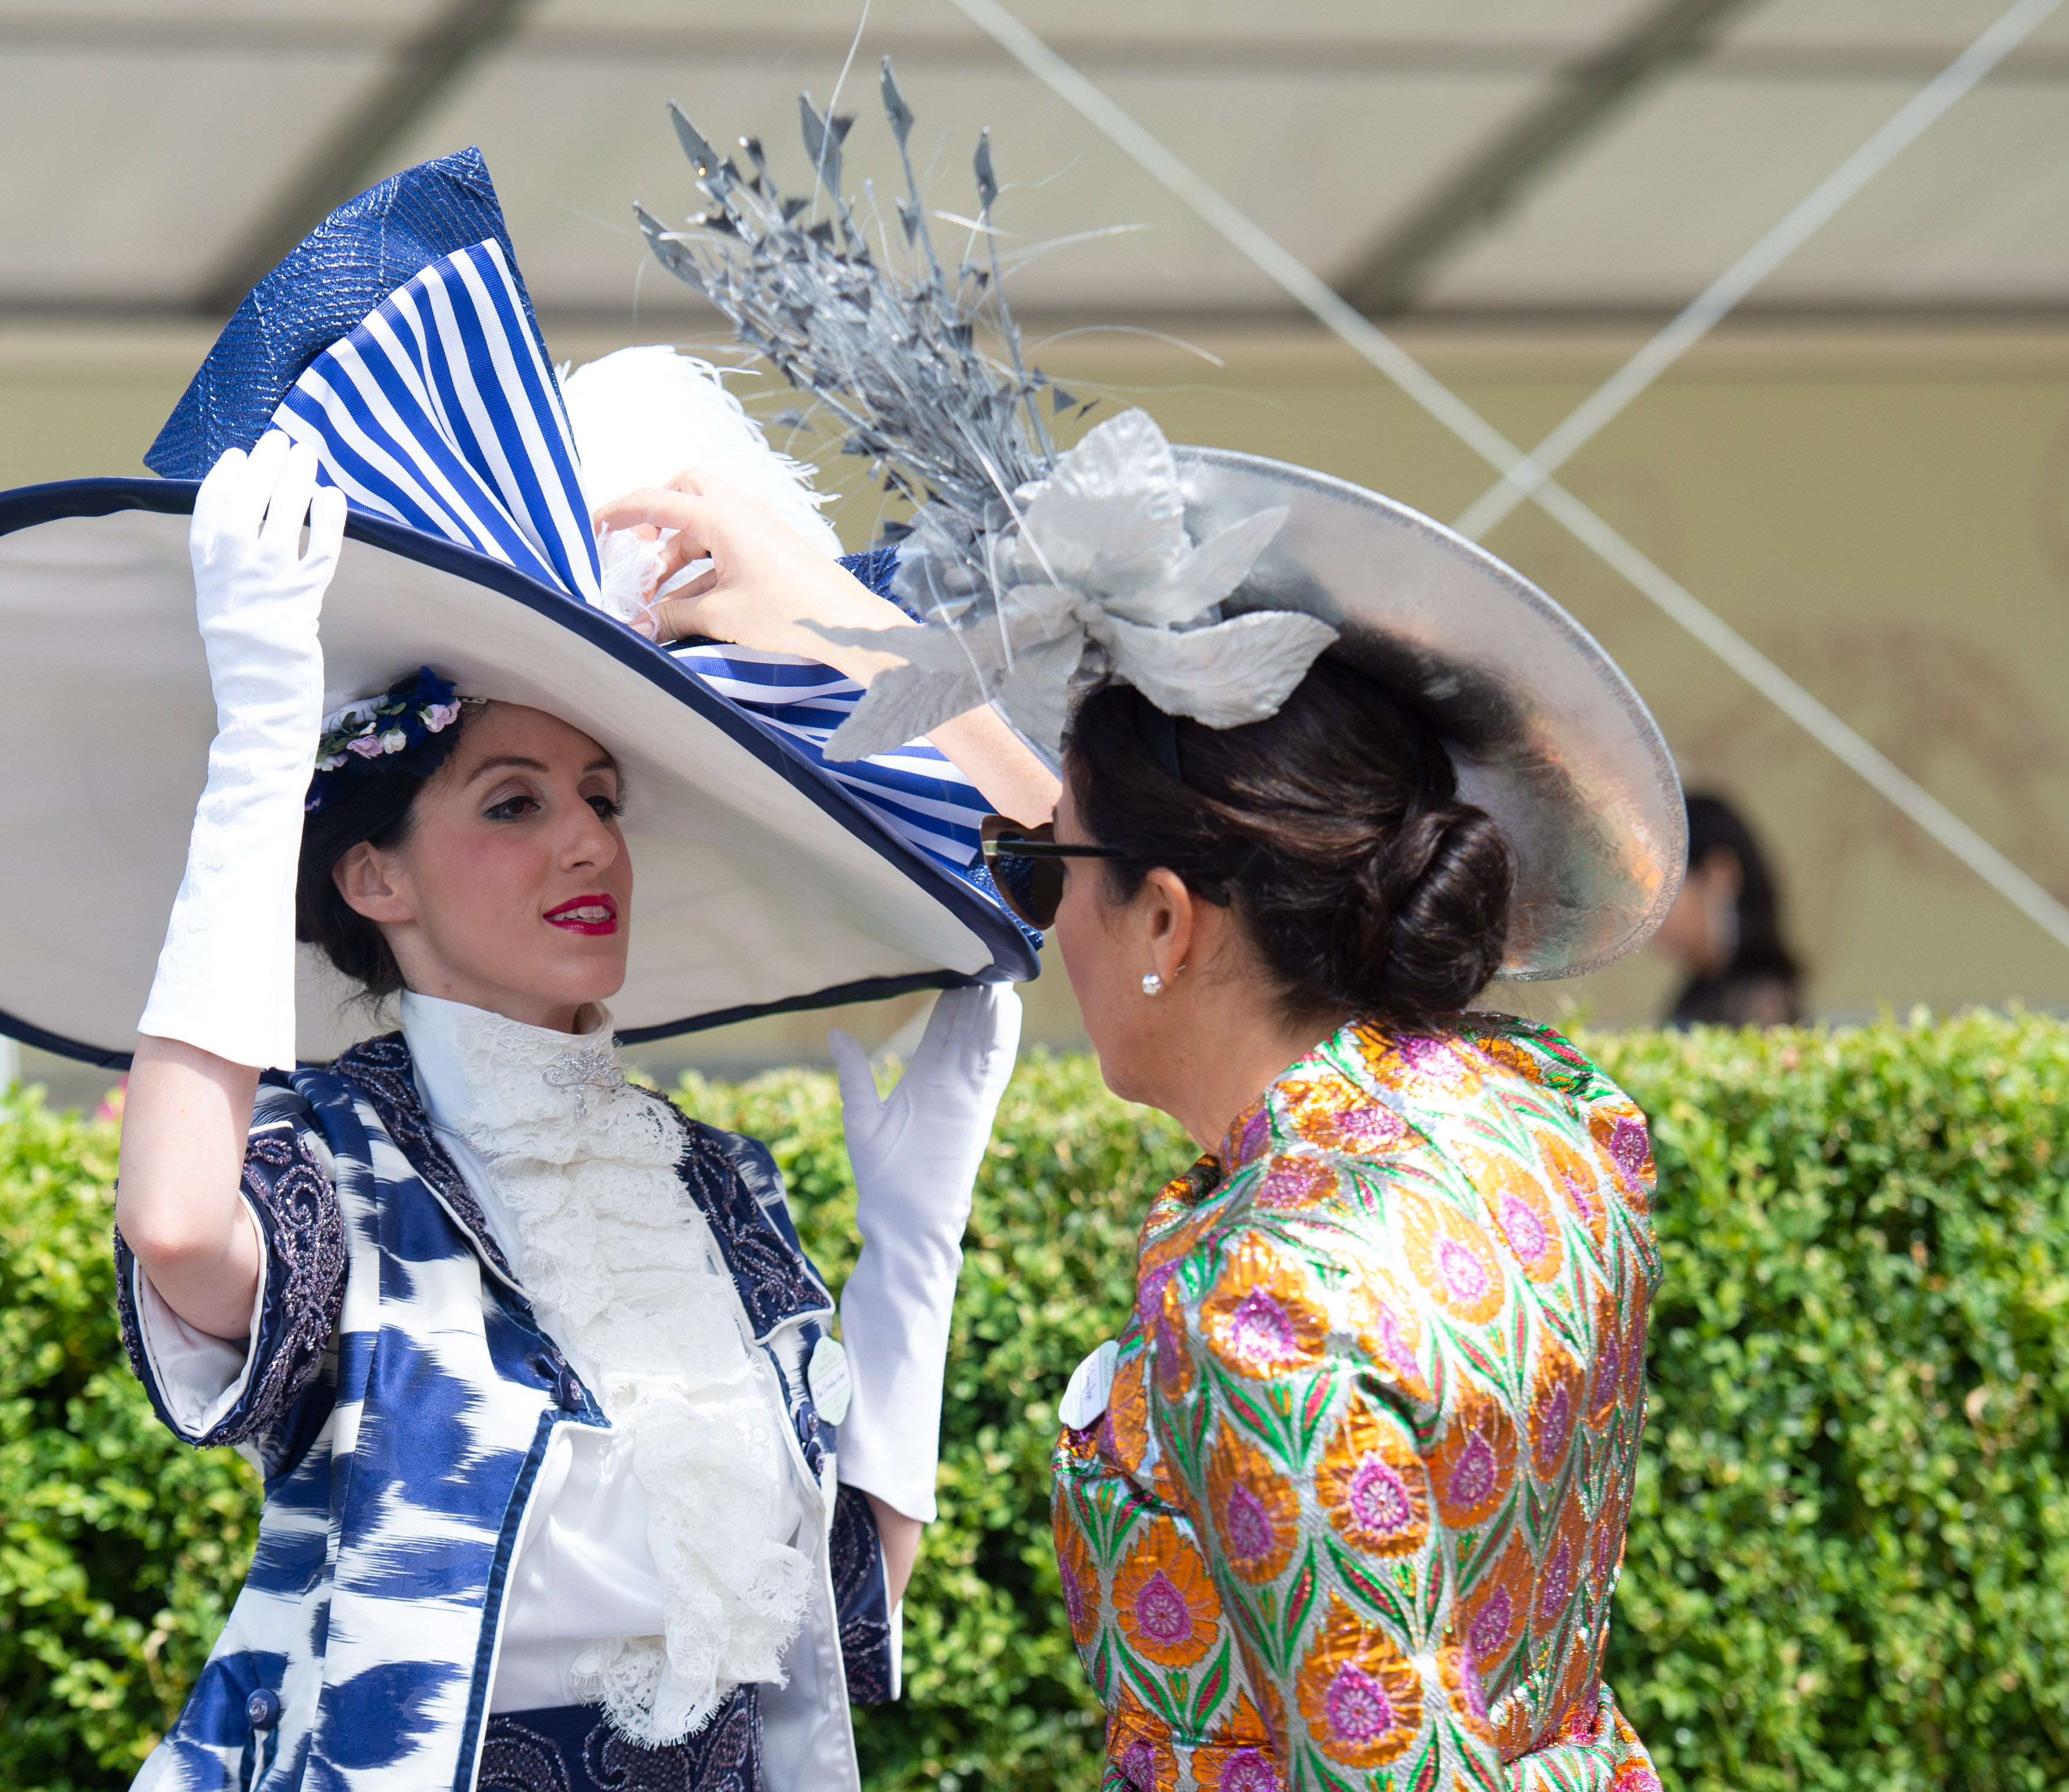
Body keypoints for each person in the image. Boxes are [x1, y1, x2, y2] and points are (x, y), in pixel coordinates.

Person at [0, 148, 1046, 1792]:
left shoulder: (717, 1186)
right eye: (511, 803)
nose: (589, 842)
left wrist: (912, 1254)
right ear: (369, 874)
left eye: (602, 795)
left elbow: (821, 1623)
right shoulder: (347, 1166)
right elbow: (177, 1221)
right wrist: (259, 740)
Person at [604, 72, 1686, 1790]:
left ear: (1168, 918)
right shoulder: (1545, 1119)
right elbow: (1107, 820)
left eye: (1051, 884)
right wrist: (815, 616)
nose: (1041, 924)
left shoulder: (1266, 1303)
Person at [1654, 793, 1803, 1027]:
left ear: (1719, 875)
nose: (1650, 910)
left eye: (1663, 886)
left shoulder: (1762, 999)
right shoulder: (1696, 990)